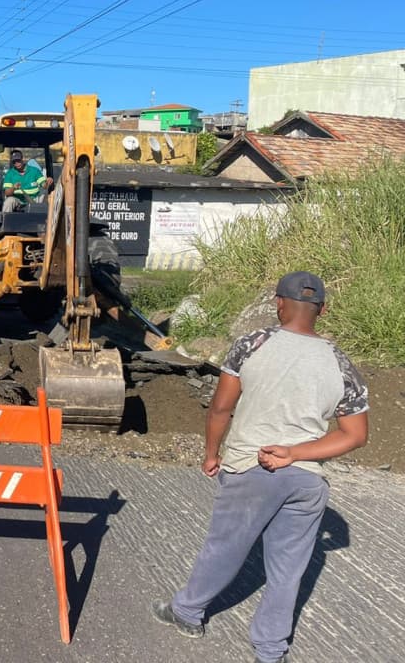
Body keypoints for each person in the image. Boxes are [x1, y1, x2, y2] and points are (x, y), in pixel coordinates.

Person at [152, 271, 369, 663]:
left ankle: (186, 612)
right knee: (288, 570)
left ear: (279, 303)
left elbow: (221, 407)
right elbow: (354, 435)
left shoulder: (253, 343)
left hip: (252, 468)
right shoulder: (340, 362)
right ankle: (270, 650)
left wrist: (212, 454)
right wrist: (297, 454)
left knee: (226, 548)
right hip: (306, 481)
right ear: (322, 310)